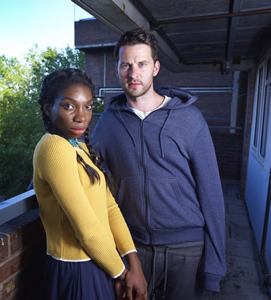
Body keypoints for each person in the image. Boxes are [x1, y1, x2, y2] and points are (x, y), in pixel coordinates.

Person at [91, 28, 226, 299]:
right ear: (117, 69)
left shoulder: (190, 119)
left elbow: (212, 194)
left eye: (141, 64)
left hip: (187, 248)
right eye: (125, 65)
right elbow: (85, 163)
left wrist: (214, 267)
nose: (133, 73)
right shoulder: (108, 123)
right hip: (134, 248)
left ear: (155, 67)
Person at [33, 68, 147, 300]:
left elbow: (110, 208)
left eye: (88, 106)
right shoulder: (53, 147)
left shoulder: (79, 147)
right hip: (77, 270)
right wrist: (124, 274)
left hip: (102, 262)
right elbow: (86, 229)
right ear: (48, 109)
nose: (81, 116)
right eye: (69, 106)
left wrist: (133, 261)